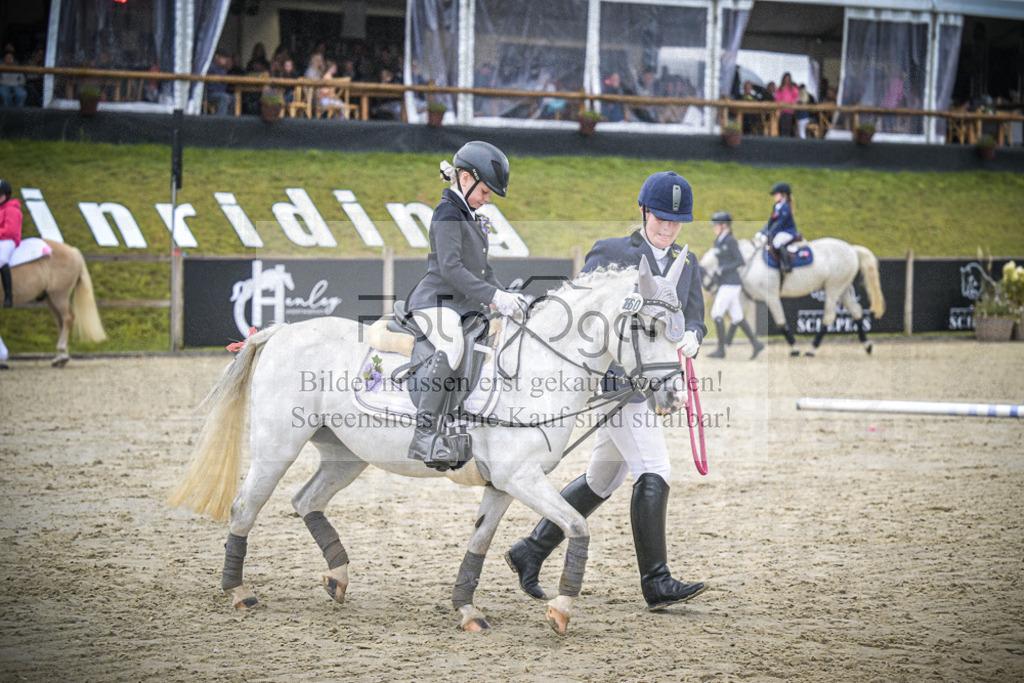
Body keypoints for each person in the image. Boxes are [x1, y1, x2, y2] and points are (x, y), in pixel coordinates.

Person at [505, 171, 708, 612]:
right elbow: (585, 313)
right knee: (654, 467)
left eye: (676, 221)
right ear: (643, 211)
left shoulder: (688, 264)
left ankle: (530, 551)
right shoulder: (614, 253)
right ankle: (656, 582)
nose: (668, 228)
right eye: (660, 218)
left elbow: (694, 316)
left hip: (658, 378)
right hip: (618, 384)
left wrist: (692, 335)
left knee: (604, 477)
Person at [405, 141, 526, 470]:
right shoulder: (446, 212)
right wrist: (493, 297)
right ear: (464, 178)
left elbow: (483, 271)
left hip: (463, 304)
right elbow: (451, 269)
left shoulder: (469, 215)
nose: (487, 200)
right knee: (452, 343)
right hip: (436, 300)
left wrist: (508, 298)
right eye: (485, 192)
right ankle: (425, 432)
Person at [706, 211, 763, 359]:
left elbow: (740, 261)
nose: (714, 228)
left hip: (731, 283)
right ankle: (756, 344)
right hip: (725, 283)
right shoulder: (718, 241)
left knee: (716, 313)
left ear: (724, 226)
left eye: (717, 225)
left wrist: (723, 269)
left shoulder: (730, 240)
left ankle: (721, 350)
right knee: (737, 316)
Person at [760, 182, 798, 272]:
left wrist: (770, 233)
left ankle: (787, 265)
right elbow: (771, 220)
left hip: (788, 231)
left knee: (777, 242)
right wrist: (763, 231)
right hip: (781, 231)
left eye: (776, 194)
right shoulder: (777, 206)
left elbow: (780, 223)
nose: (774, 196)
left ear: (783, 195)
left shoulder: (785, 207)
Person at [0, 178, 22, 308]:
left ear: (7, 195)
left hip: (8, 240)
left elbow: (10, 231)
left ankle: (9, 296)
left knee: (1, 259)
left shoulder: (12, 210)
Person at [776, 72, 799, 137]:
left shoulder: (793, 88)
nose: (786, 80)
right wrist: (780, 103)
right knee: (782, 126)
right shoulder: (780, 88)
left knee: (788, 126)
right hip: (782, 110)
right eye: (785, 78)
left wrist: (791, 103)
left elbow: (796, 97)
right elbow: (777, 98)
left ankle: (788, 140)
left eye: (788, 79)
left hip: (790, 110)